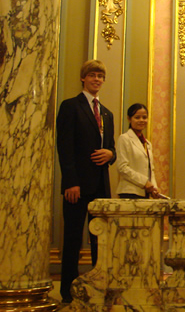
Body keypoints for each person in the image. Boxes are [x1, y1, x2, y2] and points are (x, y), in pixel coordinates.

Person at [56, 60, 116, 303]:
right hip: (77, 187)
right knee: (72, 238)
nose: (97, 79)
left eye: (100, 76)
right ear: (83, 78)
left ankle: (97, 288)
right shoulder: (71, 106)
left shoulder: (107, 114)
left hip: (100, 186)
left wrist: (111, 154)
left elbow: (111, 147)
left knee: (100, 241)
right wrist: (70, 182)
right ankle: (68, 293)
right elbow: (65, 146)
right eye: (92, 75)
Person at [116, 103, 159, 199]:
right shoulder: (124, 138)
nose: (141, 120)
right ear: (129, 119)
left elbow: (151, 169)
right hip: (129, 192)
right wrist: (144, 182)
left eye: (144, 117)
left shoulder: (147, 143)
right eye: (137, 117)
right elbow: (122, 167)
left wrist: (154, 188)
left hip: (145, 193)